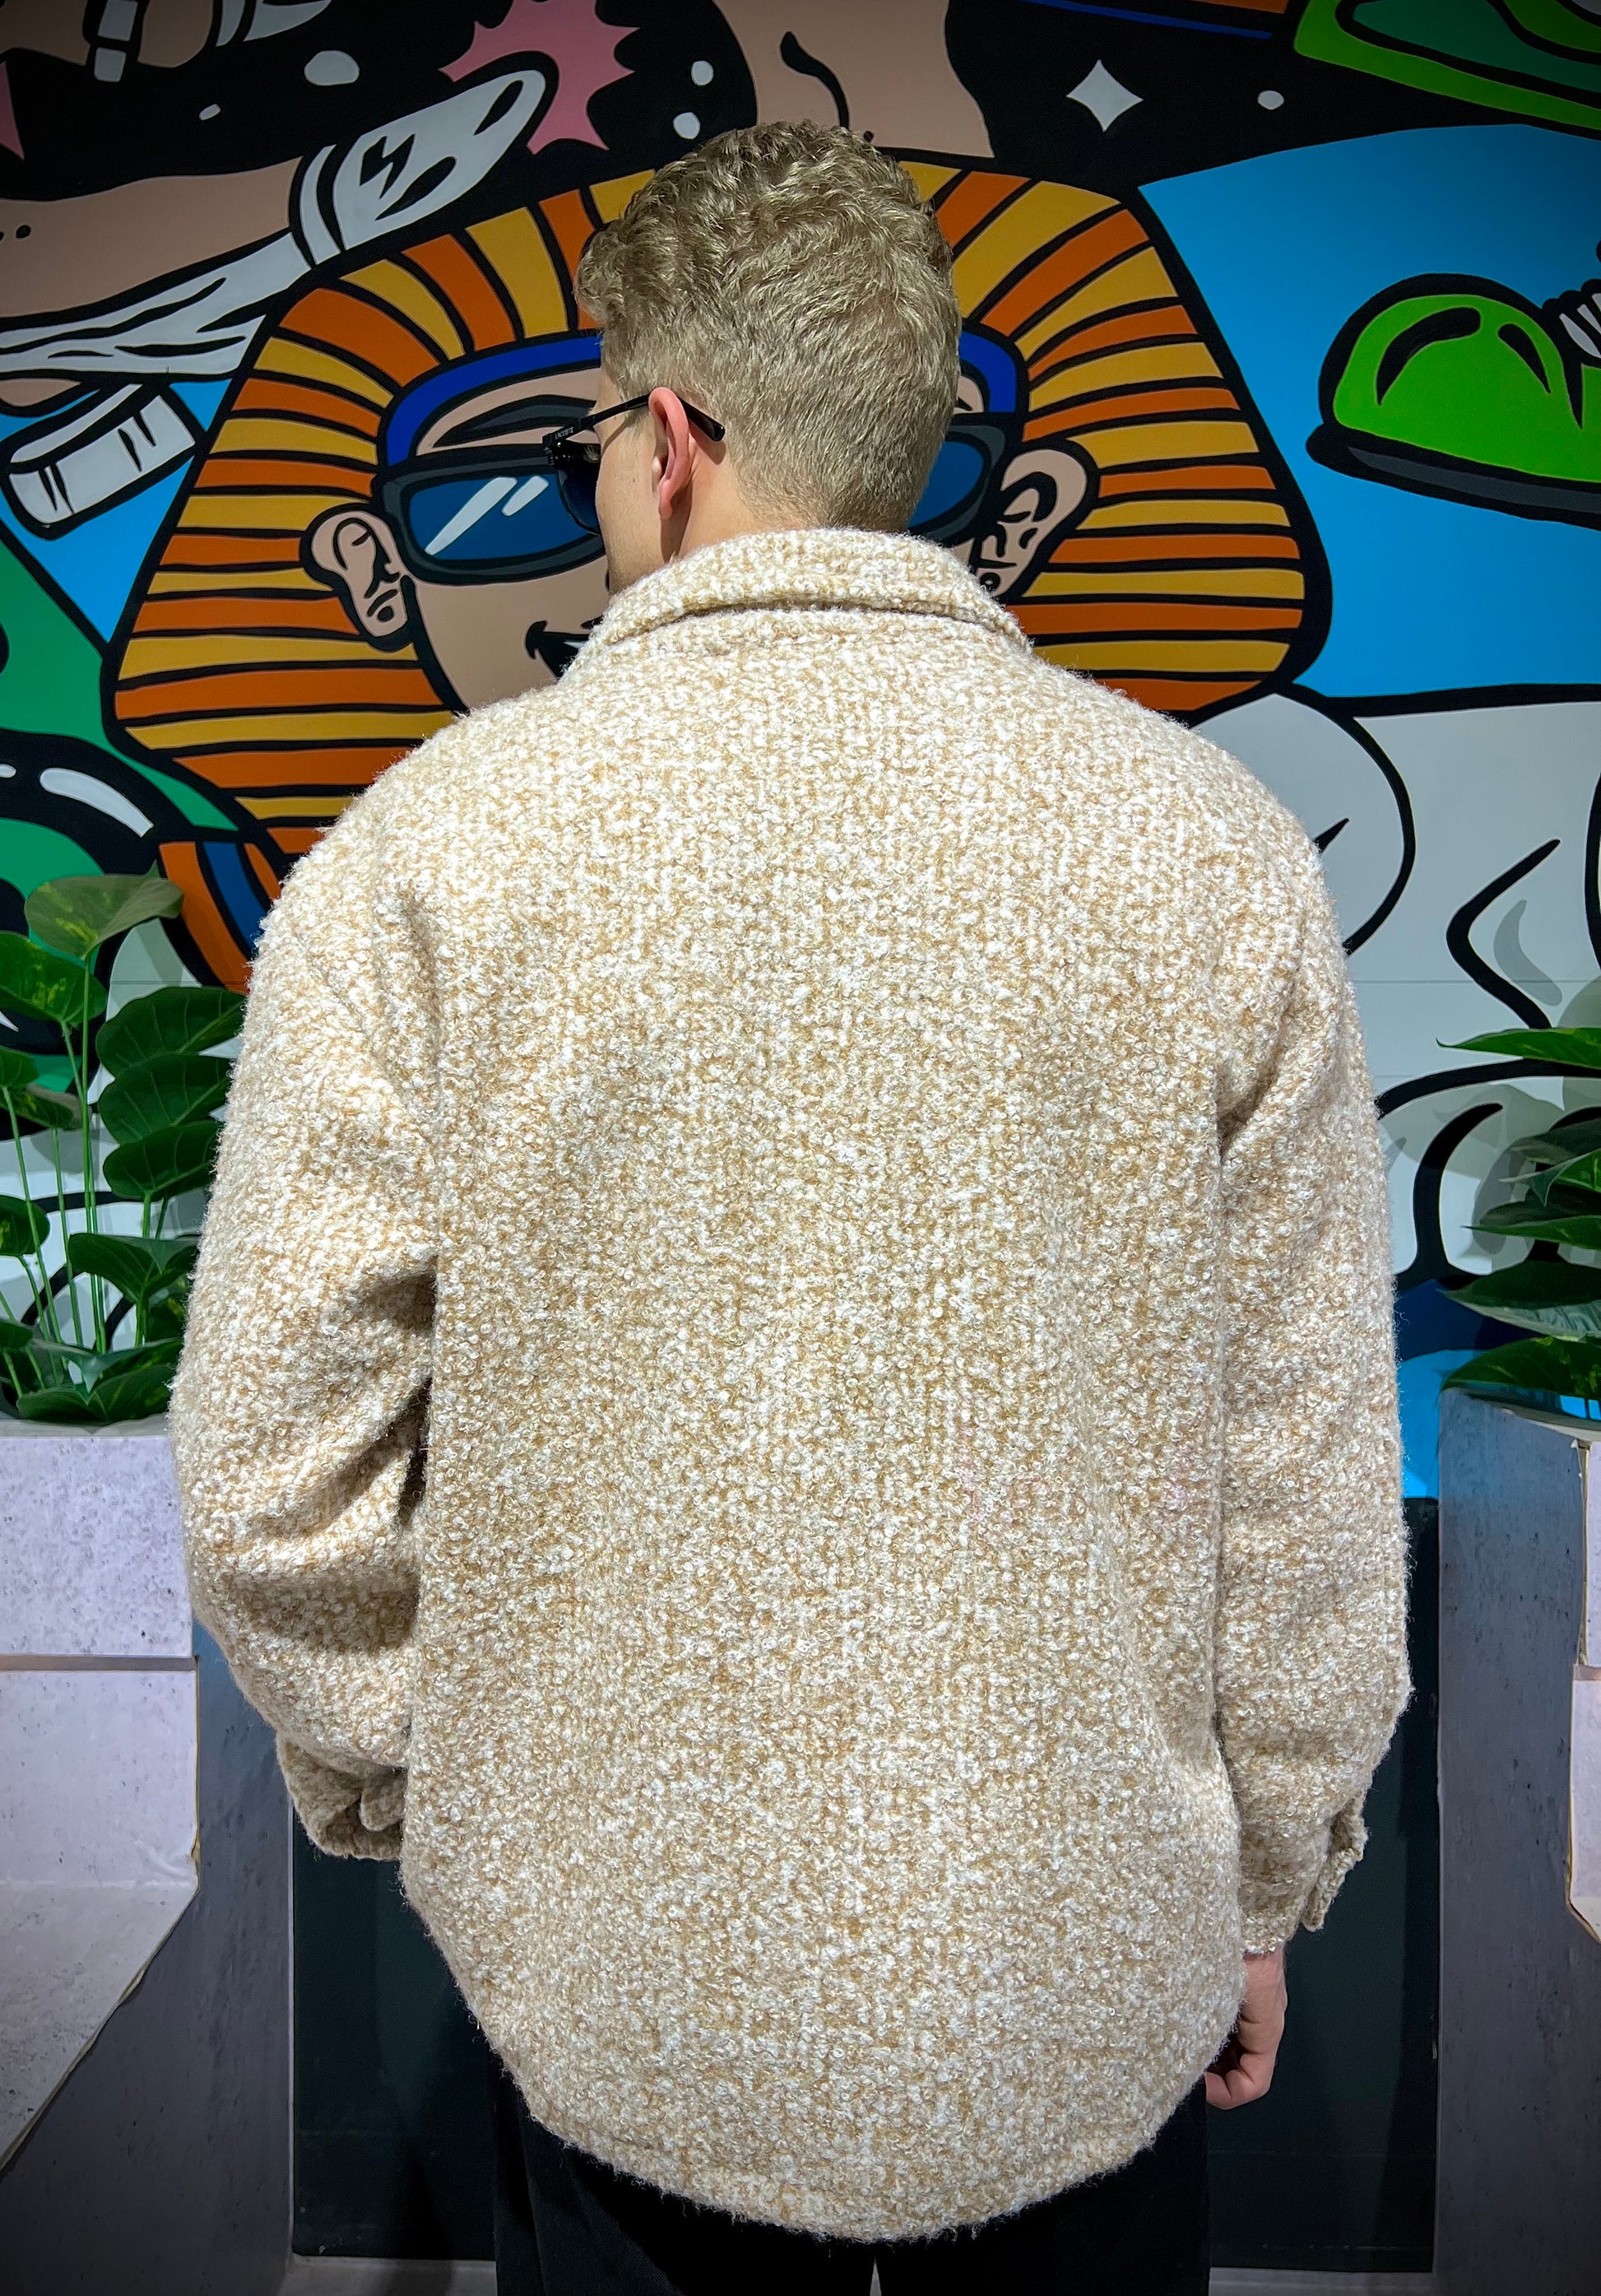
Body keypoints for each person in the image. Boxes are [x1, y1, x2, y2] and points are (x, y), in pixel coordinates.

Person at [172, 123, 1408, 2294]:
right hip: (1072, 1970)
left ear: (667, 437)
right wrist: (1260, 1878)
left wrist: (423, 1789)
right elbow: (1301, 1455)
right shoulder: (1203, 843)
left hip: (619, 1979)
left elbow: (276, 1468)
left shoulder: (441, 845)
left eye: (582, 440)